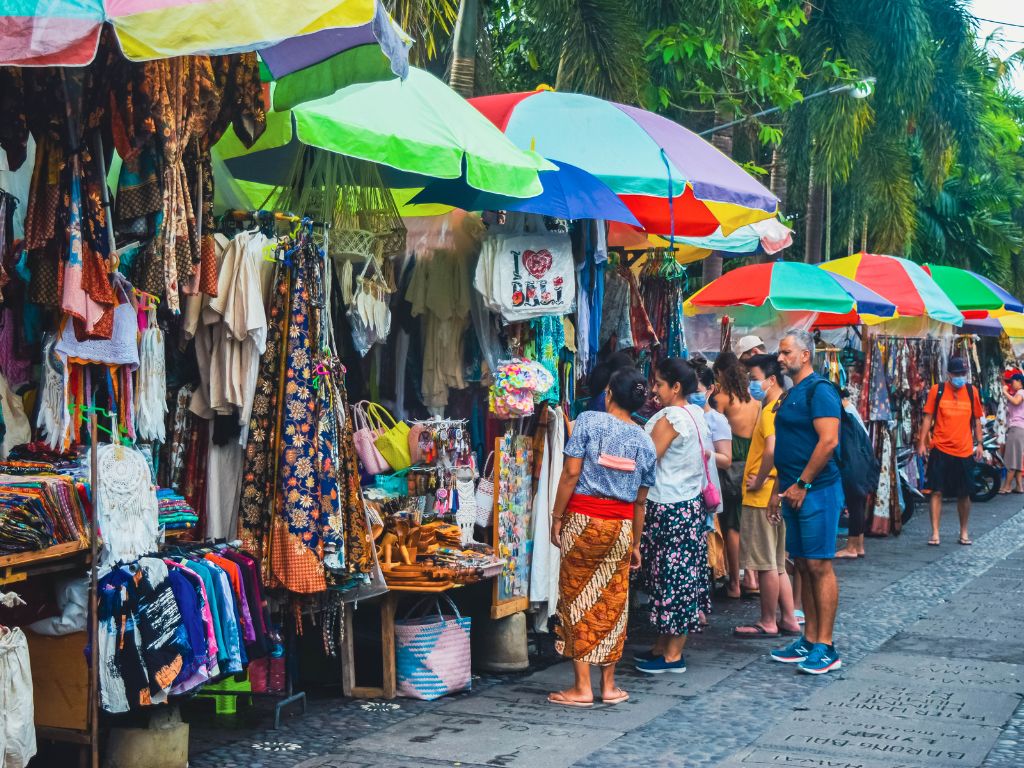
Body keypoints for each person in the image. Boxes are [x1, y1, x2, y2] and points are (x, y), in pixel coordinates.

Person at [548, 367, 656, 707]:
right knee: (613, 601)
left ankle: (581, 687)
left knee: (576, 596)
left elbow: (571, 473)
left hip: (581, 520)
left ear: (609, 394)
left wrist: (556, 516)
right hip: (621, 527)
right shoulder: (644, 439)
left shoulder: (587, 423)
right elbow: (641, 500)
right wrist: (636, 542)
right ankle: (609, 686)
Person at [769, 329, 844, 675]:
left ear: (805, 355)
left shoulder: (820, 390)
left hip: (817, 490)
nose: (780, 358)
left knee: (819, 566)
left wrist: (802, 483)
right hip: (793, 489)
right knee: (802, 563)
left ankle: (826, 645)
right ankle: (810, 639)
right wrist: (778, 490)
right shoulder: (792, 394)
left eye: (786, 353)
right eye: (780, 353)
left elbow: (828, 442)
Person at [634, 359, 714, 674]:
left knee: (674, 579)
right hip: (686, 507)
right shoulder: (695, 414)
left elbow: (648, 459)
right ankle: (662, 647)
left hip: (671, 508)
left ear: (676, 387)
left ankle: (672, 656)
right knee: (672, 577)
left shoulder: (671, 417)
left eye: (658, 384)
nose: (654, 390)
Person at [733, 355, 801, 639]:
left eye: (753, 377)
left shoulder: (772, 409)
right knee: (776, 563)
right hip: (776, 492)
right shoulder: (781, 406)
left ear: (771, 380)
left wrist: (759, 479)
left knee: (764, 564)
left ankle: (767, 621)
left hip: (763, 496)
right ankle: (788, 618)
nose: (751, 383)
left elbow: (772, 449)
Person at [917, 357, 983, 546]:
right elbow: (928, 418)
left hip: (964, 450)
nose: (960, 377)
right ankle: (935, 533)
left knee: (964, 494)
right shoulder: (937, 390)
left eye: (963, 374)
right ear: (949, 374)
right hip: (940, 448)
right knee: (936, 491)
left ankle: (964, 532)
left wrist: (979, 443)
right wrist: (922, 443)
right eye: (957, 374)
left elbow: (977, 420)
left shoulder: (972, 392)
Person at [713, 352, 762, 599]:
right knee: (747, 523)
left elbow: (714, 431)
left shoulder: (722, 399)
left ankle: (734, 582)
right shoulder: (755, 403)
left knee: (731, 525)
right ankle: (752, 577)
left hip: (730, 469)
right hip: (751, 468)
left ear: (721, 374)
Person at [1000, 372, 1024, 494]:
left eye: (1013, 381)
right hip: (1018, 428)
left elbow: (1016, 402)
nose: (1011, 384)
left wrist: (1004, 392)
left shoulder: (1021, 393)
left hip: (1017, 428)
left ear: (1019, 381)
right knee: (1017, 458)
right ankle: (1019, 486)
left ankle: (1007, 486)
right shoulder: (1016, 393)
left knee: (1011, 458)